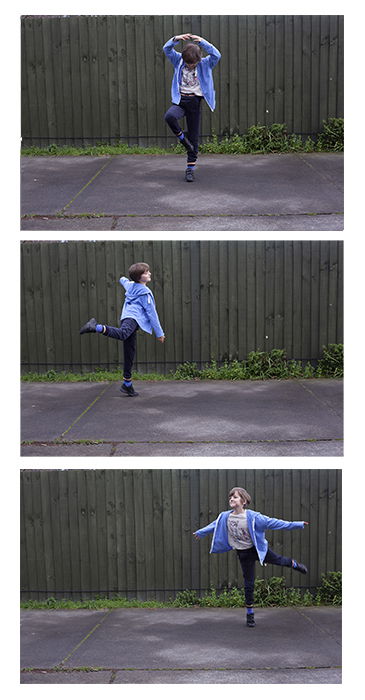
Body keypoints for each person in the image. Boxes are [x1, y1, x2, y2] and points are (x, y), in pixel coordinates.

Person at [193, 487, 308, 628]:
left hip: (257, 550)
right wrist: (201, 532)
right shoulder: (225, 517)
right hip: (243, 553)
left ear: (244, 501)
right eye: (230, 497)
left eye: (235, 497)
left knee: (279, 560)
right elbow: (214, 525)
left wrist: (297, 524)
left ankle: (294, 564)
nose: (231, 499)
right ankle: (250, 614)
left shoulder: (254, 518)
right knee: (249, 583)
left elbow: (275, 523)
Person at [79, 262, 165, 397]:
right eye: (146, 272)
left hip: (126, 317)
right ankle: (96, 327)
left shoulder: (130, 285)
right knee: (123, 334)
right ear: (139, 277)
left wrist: (122, 279)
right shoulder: (145, 294)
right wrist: (159, 333)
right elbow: (152, 314)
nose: (149, 273)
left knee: (129, 352)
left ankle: (127, 384)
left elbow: (123, 280)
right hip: (132, 319)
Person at [163, 33, 221, 182]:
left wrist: (202, 42)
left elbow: (217, 55)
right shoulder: (178, 60)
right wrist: (175, 39)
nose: (190, 66)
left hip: (195, 103)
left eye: (193, 64)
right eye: (188, 63)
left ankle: (190, 169)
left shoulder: (205, 63)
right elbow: (166, 49)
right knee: (169, 116)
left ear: (198, 60)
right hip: (181, 101)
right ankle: (183, 139)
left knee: (194, 139)